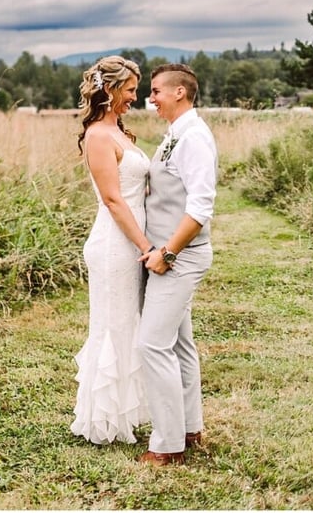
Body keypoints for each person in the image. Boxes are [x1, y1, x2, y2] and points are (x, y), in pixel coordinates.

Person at [135, 63, 217, 466]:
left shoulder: (195, 139)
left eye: (155, 91)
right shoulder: (176, 134)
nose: (150, 98)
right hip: (168, 255)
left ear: (180, 92)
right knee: (180, 344)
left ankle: (167, 445)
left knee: (151, 343)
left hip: (180, 258)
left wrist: (167, 253)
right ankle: (190, 428)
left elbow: (201, 207)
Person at [70, 55, 154, 445]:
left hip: (130, 241)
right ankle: (102, 421)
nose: (135, 98)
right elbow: (112, 199)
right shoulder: (98, 136)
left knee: (128, 325)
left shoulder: (118, 132)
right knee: (113, 326)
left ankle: (125, 413)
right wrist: (146, 246)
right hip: (114, 245)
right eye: (131, 90)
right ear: (109, 89)